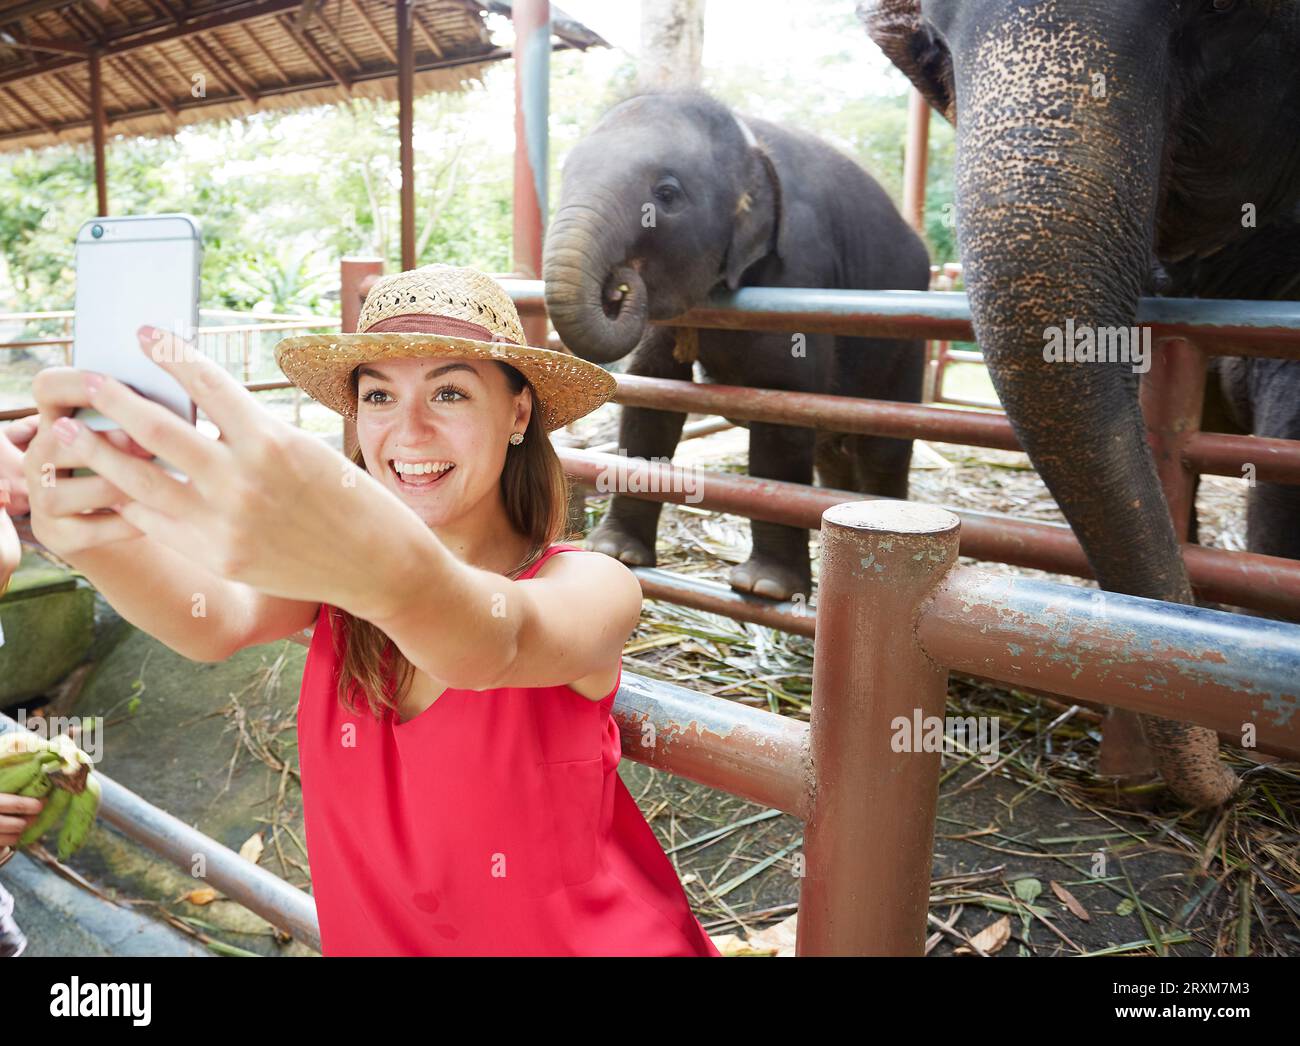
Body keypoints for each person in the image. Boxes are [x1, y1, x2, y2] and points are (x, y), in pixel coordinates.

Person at [23, 264, 722, 957]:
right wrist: (86, 537)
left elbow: (493, 643)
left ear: (517, 412)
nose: (408, 432)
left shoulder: (591, 584)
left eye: (449, 392)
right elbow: (214, 620)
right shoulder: (334, 586)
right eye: (379, 396)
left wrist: (340, 529)